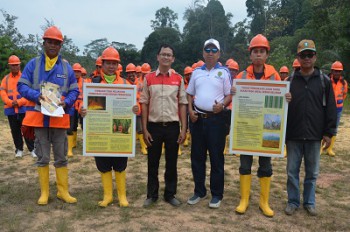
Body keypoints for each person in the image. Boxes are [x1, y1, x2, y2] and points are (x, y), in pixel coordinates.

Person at [17, 26, 79, 205]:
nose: (53, 45)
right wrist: (37, 96)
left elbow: (75, 92)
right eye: (50, 42)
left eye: (56, 43)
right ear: (43, 43)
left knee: (61, 157)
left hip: (59, 119)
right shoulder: (33, 64)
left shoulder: (67, 68)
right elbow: (21, 87)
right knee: (43, 156)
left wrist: (66, 102)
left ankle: (63, 192)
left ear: (61, 46)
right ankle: (44, 193)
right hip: (39, 118)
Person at [233, 34, 290, 217]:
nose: (258, 55)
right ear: (250, 55)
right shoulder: (242, 76)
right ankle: (244, 200)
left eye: (262, 51)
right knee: (245, 164)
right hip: (248, 129)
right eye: (255, 51)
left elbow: (281, 102)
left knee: (266, 166)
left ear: (267, 55)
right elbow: (237, 103)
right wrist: (233, 92)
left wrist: (287, 97)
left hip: (267, 130)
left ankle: (264, 202)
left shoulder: (274, 76)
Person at [80, 46, 139, 207]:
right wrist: (82, 109)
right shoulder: (92, 83)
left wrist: (136, 108)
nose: (111, 66)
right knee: (103, 164)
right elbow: (82, 102)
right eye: (108, 63)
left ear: (118, 65)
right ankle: (108, 196)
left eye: (114, 63)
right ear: (102, 64)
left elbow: (136, 102)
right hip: (100, 129)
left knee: (120, 164)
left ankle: (122, 196)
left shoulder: (126, 83)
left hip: (119, 130)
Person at [285, 39, 337, 216]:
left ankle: (309, 202)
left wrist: (329, 133)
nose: (307, 58)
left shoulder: (324, 81)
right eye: (303, 55)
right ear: (298, 58)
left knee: (312, 173)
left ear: (315, 57)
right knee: (292, 172)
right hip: (293, 134)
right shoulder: (289, 81)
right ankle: (292, 202)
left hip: (315, 135)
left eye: (310, 55)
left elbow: (331, 108)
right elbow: (279, 108)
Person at [140, 44, 188, 207]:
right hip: (153, 126)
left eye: (169, 55)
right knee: (152, 162)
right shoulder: (148, 78)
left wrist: (184, 128)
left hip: (173, 126)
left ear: (173, 59)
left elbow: (182, 104)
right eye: (163, 54)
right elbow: (144, 103)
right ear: (158, 57)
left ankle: (170, 194)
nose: (166, 57)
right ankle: (152, 195)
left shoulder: (178, 79)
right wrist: (145, 128)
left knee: (171, 162)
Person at [186, 39, 232, 209]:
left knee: (216, 158)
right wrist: (190, 110)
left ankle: (217, 194)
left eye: (214, 50)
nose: (210, 53)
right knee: (197, 157)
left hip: (216, 120)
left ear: (219, 53)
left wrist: (223, 105)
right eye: (207, 49)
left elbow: (229, 95)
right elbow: (190, 94)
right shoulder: (196, 72)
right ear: (203, 53)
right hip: (197, 119)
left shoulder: (224, 72)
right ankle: (199, 191)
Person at [1, 55, 36, 158]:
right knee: (15, 130)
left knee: (27, 130)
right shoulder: (5, 79)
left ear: (19, 66)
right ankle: (19, 149)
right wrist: (10, 102)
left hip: (23, 109)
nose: (15, 67)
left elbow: (29, 93)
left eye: (16, 65)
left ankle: (32, 149)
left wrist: (19, 102)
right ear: (9, 66)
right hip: (11, 110)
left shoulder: (25, 78)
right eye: (12, 65)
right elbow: (2, 92)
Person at [324, 61, 347, 156]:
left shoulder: (343, 83)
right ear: (332, 71)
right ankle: (321, 147)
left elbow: (344, 94)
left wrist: (339, 103)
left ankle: (329, 149)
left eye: (339, 71)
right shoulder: (327, 81)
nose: (337, 73)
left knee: (334, 128)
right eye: (335, 71)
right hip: (327, 109)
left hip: (338, 109)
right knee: (323, 126)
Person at [137, 63, 152, 155]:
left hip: (149, 108)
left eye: (147, 73)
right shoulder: (138, 83)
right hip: (139, 108)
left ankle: (149, 143)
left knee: (149, 127)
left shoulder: (152, 81)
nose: (146, 75)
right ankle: (143, 146)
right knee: (140, 128)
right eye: (144, 73)